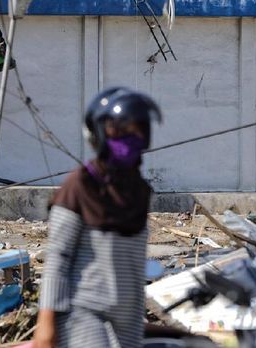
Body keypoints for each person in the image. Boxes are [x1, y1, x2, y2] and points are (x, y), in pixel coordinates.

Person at [33, 87, 163, 348]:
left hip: (127, 316)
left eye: (137, 130)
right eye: (120, 130)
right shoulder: (79, 186)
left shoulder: (139, 191)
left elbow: (135, 260)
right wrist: (45, 324)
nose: (130, 137)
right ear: (100, 133)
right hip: (83, 311)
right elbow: (58, 256)